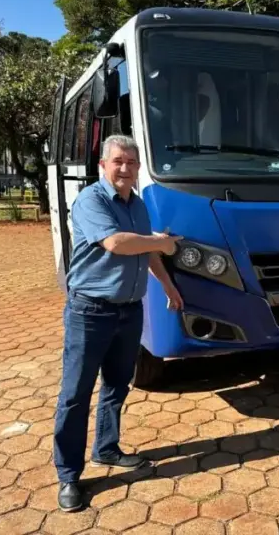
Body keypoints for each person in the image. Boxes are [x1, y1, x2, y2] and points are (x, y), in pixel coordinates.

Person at [53, 135, 184, 512]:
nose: (125, 168)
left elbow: (145, 249)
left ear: (139, 167)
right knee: (75, 394)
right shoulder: (91, 200)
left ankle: (106, 449)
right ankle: (68, 475)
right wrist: (162, 243)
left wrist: (168, 285)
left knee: (116, 385)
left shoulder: (138, 205)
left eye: (131, 162)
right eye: (117, 161)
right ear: (103, 166)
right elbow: (117, 243)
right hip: (90, 312)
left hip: (129, 311)